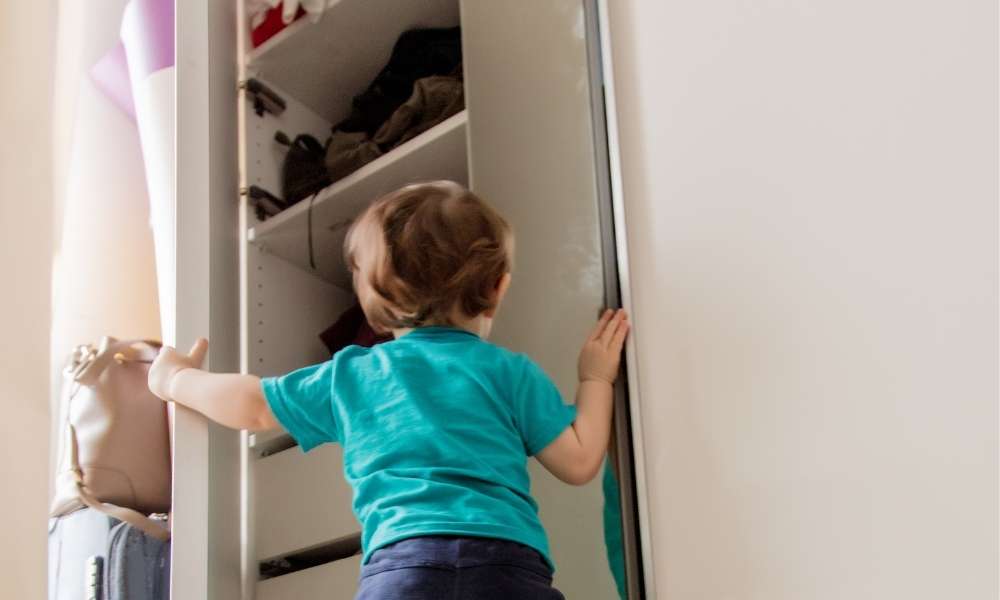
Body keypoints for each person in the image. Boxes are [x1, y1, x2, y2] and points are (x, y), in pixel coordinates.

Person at [148, 180, 629, 599]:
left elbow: (251, 405)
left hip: (402, 568)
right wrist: (595, 377)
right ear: (498, 287)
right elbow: (581, 459)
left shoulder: (354, 374)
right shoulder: (509, 372)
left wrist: (175, 380)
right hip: (505, 566)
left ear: (377, 296)